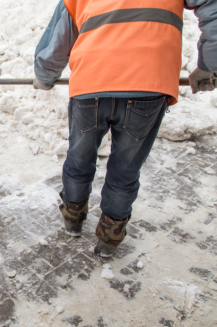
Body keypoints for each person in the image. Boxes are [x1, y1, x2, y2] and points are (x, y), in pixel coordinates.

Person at [34, 0, 217, 257]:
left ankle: (73, 219)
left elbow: (61, 34)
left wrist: (44, 75)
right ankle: (109, 239)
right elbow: (212, 11)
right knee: (125, 169)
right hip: (149, 83)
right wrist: (210, 66)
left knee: (79, 156)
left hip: (91, 82)